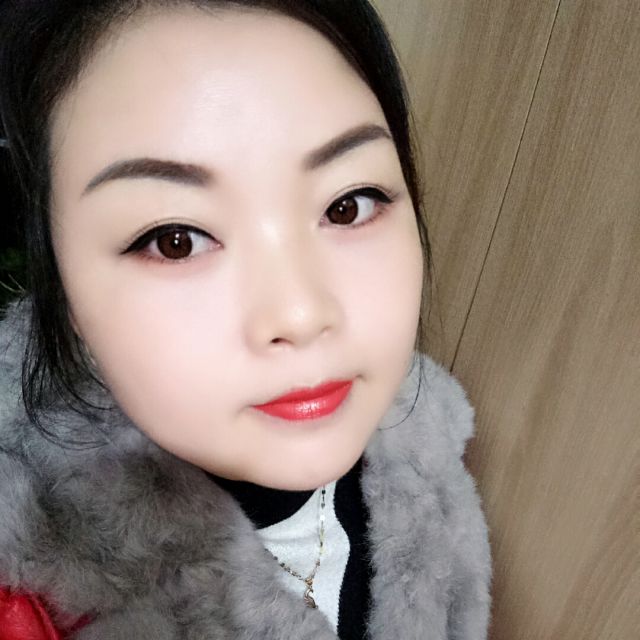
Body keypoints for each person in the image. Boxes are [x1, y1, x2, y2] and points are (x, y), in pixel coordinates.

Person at [0, 1, 491, 638]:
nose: (302, 313)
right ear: (61, 285)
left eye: (349, 205)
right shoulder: (30, 585)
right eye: (176, 240)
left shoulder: (427, 448)